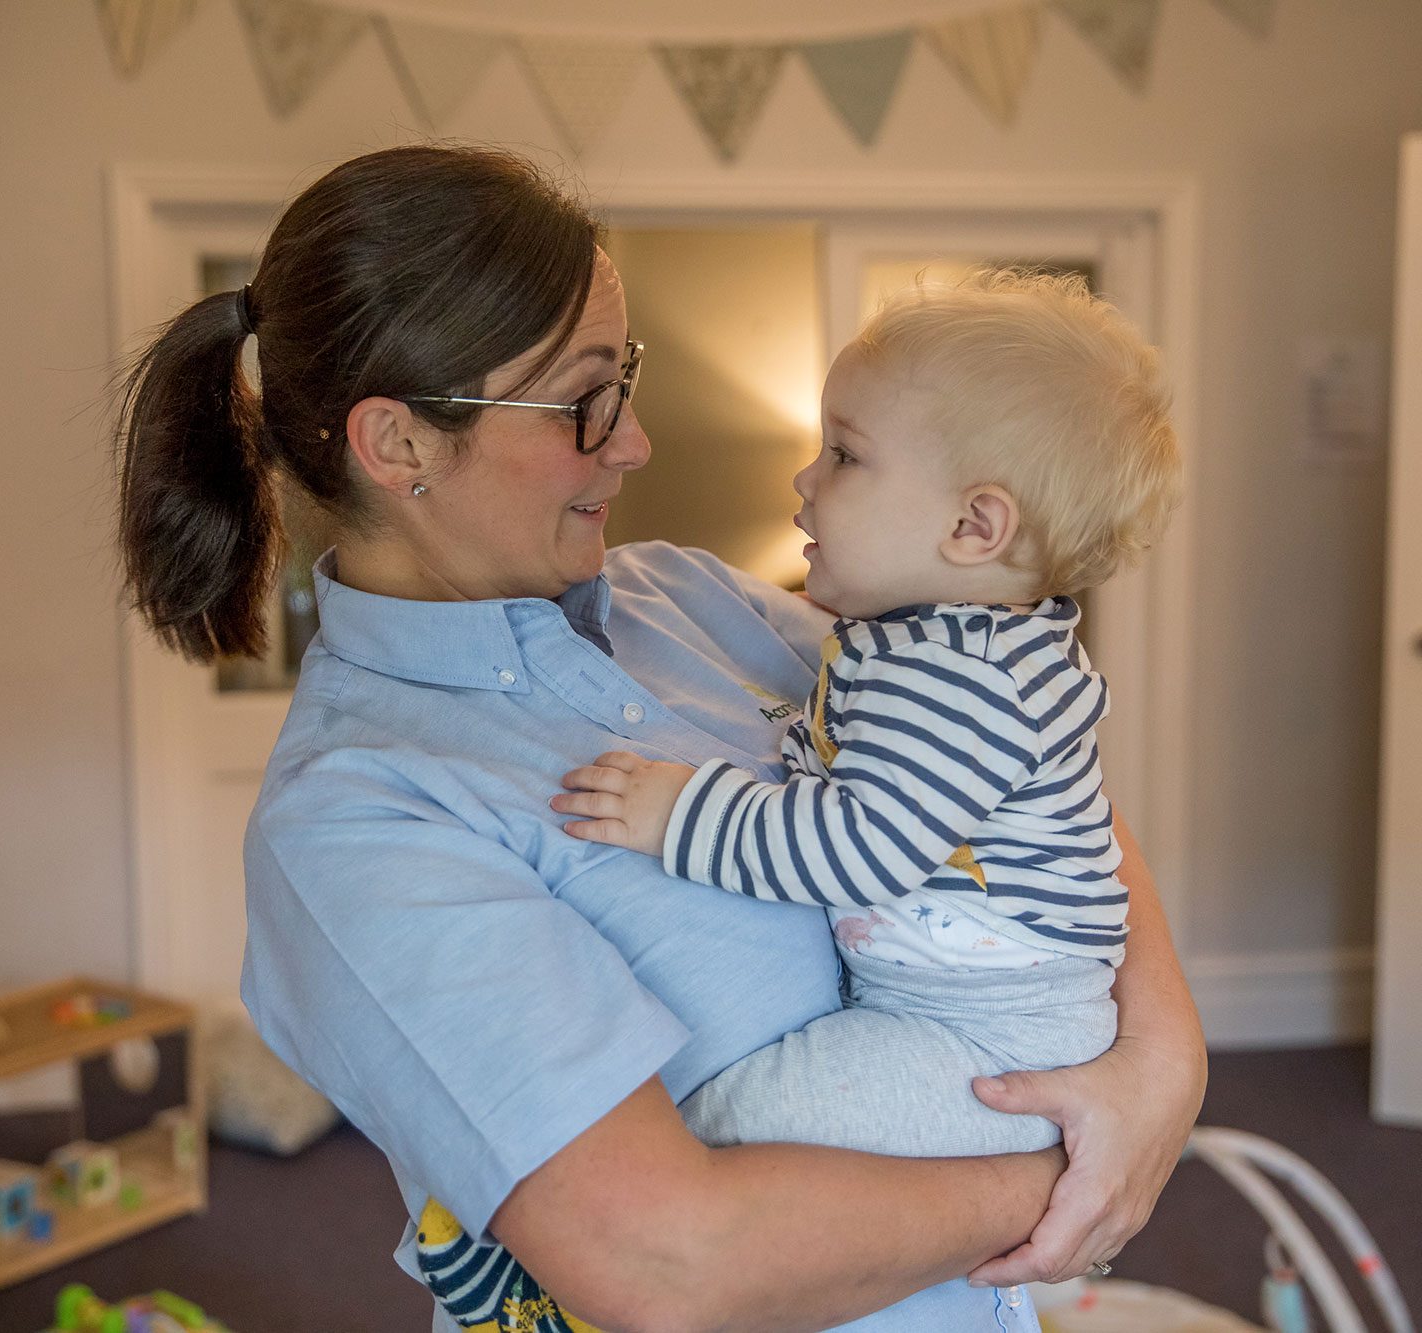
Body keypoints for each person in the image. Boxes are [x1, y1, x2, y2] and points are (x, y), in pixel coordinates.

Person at [113, 144, 1206, 1333]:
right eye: (585, 398)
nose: (633, 442)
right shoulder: (358, 816)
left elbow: (1011, 783)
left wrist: (1162, 1060)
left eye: (620, 378)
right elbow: (672, 1268)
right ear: (400, 446)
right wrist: (1079, 1173)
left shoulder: (689, 598)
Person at [552, 268, 1181, 1164]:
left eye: (846, 455)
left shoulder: (965, 680)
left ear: (974, 527)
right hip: (952, 1009)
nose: (805, 478)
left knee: (724, 1116)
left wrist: (678, 811)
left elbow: (859, 848)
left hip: (987, 1041)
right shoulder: (925, 644)